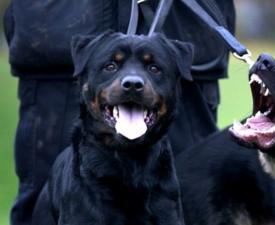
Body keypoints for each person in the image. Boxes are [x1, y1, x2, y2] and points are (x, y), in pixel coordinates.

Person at [3, 1, 235, 225]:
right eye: (112, 67)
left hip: (184, 23)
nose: (132, 81)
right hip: (56, 34)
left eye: (152, 68)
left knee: (197, 202)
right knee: (36, 196)